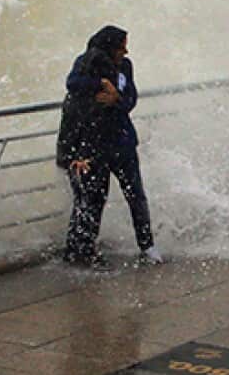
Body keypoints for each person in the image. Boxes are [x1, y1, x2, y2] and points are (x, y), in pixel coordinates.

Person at [58, 25, 162, 268]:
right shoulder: (85, 65)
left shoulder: (126, 66)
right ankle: (82, 250)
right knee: (92, 199)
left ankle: (147, 246)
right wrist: (100, 86)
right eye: (121, 45)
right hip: (93, 147)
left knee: (136, 195)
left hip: (123, 142)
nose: (126, 50)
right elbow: (73, 87)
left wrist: (117, 98)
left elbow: (131, 99)